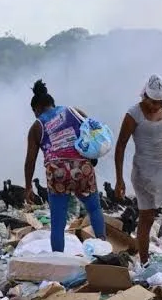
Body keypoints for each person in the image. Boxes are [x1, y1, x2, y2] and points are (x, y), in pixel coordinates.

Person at [114, 74, 162, 265]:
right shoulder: (133, 115)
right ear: (144, 96)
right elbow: (120, 146)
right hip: (144, 173)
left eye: (160, 102)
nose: (156, 106)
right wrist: (119, 179)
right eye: (152, 102)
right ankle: (144, 263)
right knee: (147, 218)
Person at [24, 79, 106, 252]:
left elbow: (30, 160)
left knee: (58, 221)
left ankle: (58, 260)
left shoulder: (37, 127)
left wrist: (28, 186)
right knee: (94, 209)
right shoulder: (73, 111)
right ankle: (104, 250)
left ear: (36, 109)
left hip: (57, 172)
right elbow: (94, 131)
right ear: (53, 104)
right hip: (81, 167)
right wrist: (94, 157)